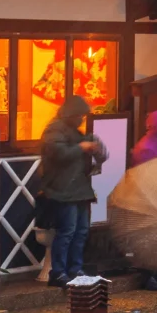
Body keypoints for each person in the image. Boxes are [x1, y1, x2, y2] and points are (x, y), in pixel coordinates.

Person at [34, 95, 106, 288]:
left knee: (81, 231)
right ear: (71, 114)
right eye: (80, 115)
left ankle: (75, 269)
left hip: (79, 189)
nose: (82, 119)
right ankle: (58, 272)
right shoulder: (54, 129)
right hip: (62, 189)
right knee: (67, 232)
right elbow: (59, 153)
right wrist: (81, 147)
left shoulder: (74, 131)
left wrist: (96, 149)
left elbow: (98, 153)